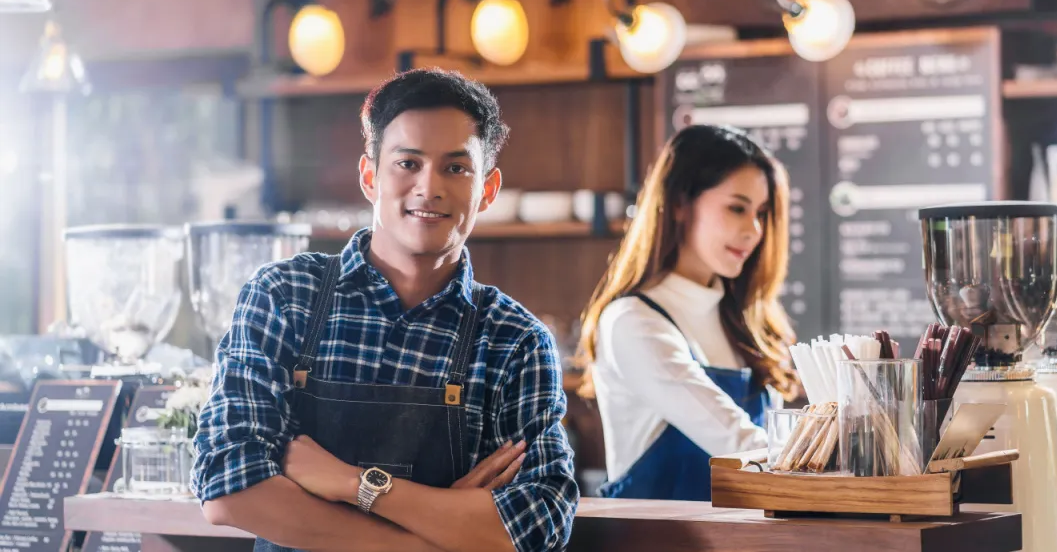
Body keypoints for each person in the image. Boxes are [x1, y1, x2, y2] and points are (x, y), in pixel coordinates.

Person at [191, 69, 579, 552]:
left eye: (456, 168)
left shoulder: (514, 340)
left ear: (488, 189)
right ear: (370, 176)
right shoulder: (285, 296)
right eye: (407, 163)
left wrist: (354, 483)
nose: (429, 187)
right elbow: (229, 487)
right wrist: (426, 539)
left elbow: (539, 522)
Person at [577, 124, 799, 501]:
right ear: (680, 203)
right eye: (737, 208)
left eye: (761, 213)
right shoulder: (633, 320)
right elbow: (736, 440)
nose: (754, 230)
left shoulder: (744, 321)